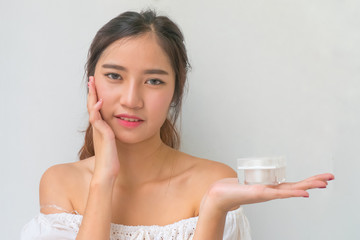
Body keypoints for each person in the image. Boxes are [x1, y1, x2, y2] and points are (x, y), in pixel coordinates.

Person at [21, 10, 334, 240]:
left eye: (154, 81)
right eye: (114, 76)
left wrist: (212, 208)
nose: (131, 99)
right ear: (92, 85)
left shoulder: (213, 182)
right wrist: (104, 177)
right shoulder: (60, 183)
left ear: (175, 92)